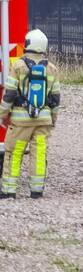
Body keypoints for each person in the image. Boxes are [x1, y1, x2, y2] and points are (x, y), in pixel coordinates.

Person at [0, 30, 60, 199]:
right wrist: (52, 120)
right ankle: (36, 190)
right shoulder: (52, 69)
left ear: (28, 44)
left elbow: (9, 94)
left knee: (14, 152)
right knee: (39, 153)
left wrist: (2, 114)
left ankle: (9, 190)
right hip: (43, 121)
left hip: (21, 121)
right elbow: (55, 99)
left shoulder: (18, 66)